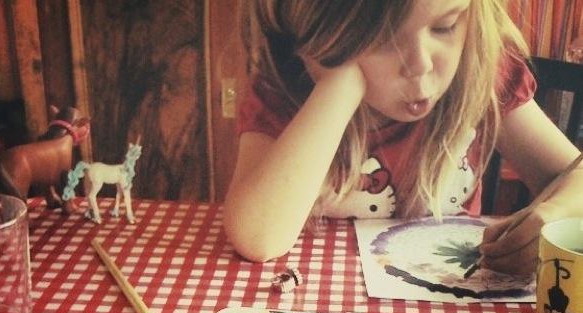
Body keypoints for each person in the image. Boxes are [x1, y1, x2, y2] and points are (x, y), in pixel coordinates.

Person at [223, 0, 583, 275]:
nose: (421, 65)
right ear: (314, 44)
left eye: (445, 26)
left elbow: (574, 176)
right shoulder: (284, 90)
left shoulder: (482, 73)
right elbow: (258, 237)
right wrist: (338, 85)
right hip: (322, 305)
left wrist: (555, 213)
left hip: (446, 311)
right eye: (381, 39)